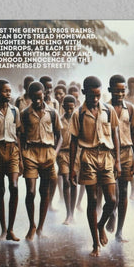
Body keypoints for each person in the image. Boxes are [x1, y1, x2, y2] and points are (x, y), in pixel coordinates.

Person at [69, 76, 120, 257]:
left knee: (112, 200)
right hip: (87, 157)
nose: (96, 99)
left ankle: (100, 225)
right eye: (92, 95)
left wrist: (118, 161)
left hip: (106, 156)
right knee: (92, 200)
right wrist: (71, 168)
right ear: (84, 93)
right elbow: (74, 141)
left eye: (98, 95)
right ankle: (95, 244)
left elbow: (115, 135)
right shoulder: (78, 114)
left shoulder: (109, 110)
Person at [20, 81, 62, 240]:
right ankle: (32, 225)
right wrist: (22, 156)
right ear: (29, 97)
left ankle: (41, 228)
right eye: (34, 98)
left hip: (48, 153)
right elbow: (21, 136)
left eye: (40, 97)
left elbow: (60, 136)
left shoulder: (52, 112)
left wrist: (54, 153)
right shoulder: (24, 113)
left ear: (44, 94)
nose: (37, 101)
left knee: (45, 191)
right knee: (30, 192)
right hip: (30, 154)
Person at [0, 79, 23, 241]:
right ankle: (3, 229)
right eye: (5, 91)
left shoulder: (15, 111)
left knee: (14, 187)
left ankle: (11, 229)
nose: (8, 94)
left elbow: (19, 135)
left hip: (13, 150)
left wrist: (21, 158)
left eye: (9, 91)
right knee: (0, 189)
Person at [107, 74, 134, 242]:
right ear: (110, 90)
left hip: (127, 153)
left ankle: (120, 231)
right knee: (111, 192)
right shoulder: (104, 108)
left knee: (124, 190)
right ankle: (111, 212)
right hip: (108, 154)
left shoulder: (131, 108)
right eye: (116, 91)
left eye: (122, 91)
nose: (120, 94)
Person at [57, 94, 77, 225]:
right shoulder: (59, 120)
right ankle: (68, 213)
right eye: (67, 108)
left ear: (75, 107)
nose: (69, 111)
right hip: (63, 153)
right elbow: (56, 138)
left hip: (75, 154)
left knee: (73, 181)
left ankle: (73, 213)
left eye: (71, 108)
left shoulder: (78, 119)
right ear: (63, 107)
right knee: (66, 180)